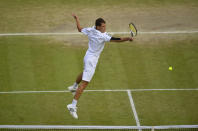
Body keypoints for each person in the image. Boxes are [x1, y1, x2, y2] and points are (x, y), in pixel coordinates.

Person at [67, 14, 133, 119]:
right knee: (84, 84)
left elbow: (79, 29)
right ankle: (72, 105)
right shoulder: (101, 36)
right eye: (102, 27)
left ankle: (74, 86)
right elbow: (117, 39)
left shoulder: (90, 29)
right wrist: (128, 38)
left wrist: (77, 19)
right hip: (91, 60)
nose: (104, 28)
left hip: (87, 56)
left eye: (105, 26)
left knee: (84, 73)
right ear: (97, 27)